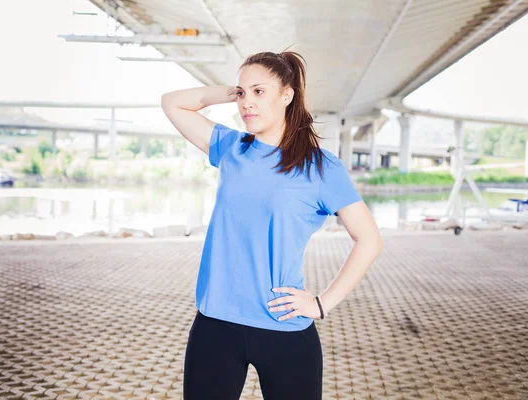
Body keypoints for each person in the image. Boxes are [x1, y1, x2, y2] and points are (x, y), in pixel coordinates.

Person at [161, 50, 383, 400]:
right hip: (215, 325)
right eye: (242, 93)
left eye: (259, 92)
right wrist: (230, 91)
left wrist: (322, 304)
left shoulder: (320, 167)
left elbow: (369, 239)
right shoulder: (231, 147)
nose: (246, 102)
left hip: (283, 326)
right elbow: (172, 103)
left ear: (287, 94)